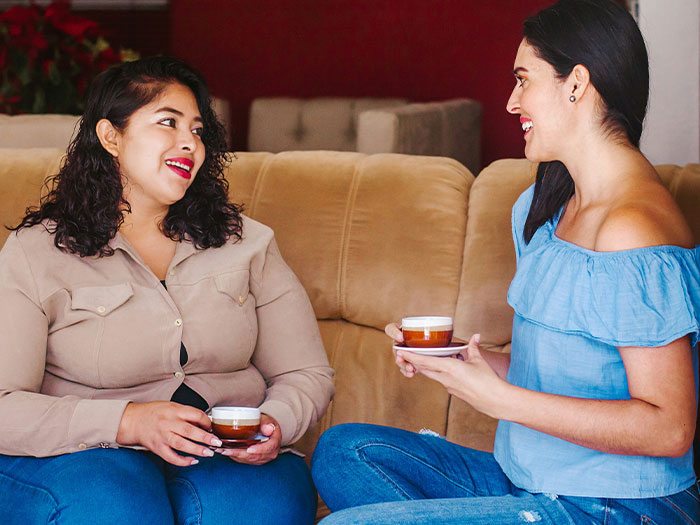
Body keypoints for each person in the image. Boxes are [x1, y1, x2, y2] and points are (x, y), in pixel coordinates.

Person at [310, 0, 700, 523]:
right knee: (342, 452)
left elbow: (669, 429)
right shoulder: (548, 207)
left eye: (523, 80)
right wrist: (455, 363)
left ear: (576, 83)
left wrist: (499, 401)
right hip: (528, 482)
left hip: (615, 503)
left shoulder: (632, 228)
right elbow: (561, 379)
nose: (512, 102)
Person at [0, 56, 333, 525]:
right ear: (111, 137)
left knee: (257, 507)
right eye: (168, 123)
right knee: (117, 509)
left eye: (197, 130)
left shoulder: (249, 243)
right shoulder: (36, 252)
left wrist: (275, 421)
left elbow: (307, 372)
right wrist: (129, 421)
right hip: (83, 454)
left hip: (222, 451)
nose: (189, 143)